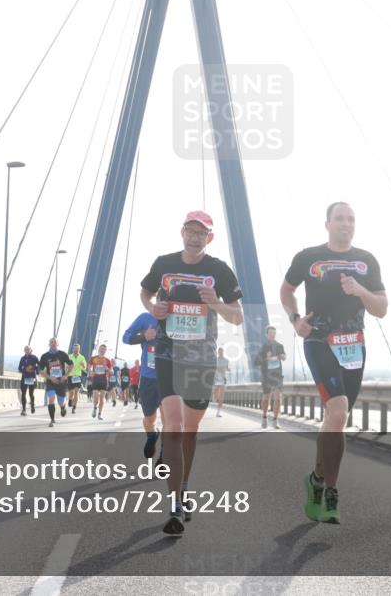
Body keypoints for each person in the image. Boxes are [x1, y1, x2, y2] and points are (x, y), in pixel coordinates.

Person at [281, 202, 387, 524]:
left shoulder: (367, 261)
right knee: (338, 410)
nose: (346, 224)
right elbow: (287, 291)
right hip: (319, 340)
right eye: (340, 219)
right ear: (327, 223)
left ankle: (315, 478)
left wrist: (360, 291)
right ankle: (331, 492)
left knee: (335, 419)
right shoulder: (308, 257)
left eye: (351, 219)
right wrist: (295, 319)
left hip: (354, 345)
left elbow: (381, 308)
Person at [141, 210, 243, 536]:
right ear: (181, 232)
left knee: (190, 430)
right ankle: (173, 505)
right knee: (173, 422)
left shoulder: (220, 271)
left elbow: (238, 317)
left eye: (202, 233)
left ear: (209, 238)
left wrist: (216, 304)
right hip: (169, 351)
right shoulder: (163, 264)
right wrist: (151, 308)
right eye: (191, 230)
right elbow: (146, 293)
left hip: (200, 357)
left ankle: (183, 486)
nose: (195, 236)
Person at [123, 313, 162, 461]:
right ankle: (152, 434)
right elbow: (125, 337)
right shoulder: (146, 318)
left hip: (170, 377)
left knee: (170, 420)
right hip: (148, 379)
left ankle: (164, 454)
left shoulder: (179, 317)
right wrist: (144, 336)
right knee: (149, 419)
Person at [255, 327, 287, 428]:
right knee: (266, 397)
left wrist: (283, 357)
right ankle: (264, 417)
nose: (272, 335)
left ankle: (275, 420)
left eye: (274, 333)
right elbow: (256, 362)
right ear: (266, 335)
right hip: (266, 376)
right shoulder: (263, 347)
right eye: (270, 333)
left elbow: (284, 356)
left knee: (278, 397)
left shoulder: (279, 346)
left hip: (277, 375)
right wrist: (266, 358)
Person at [38, 338, 72, 427]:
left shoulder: (63, 354)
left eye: (55, 342)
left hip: (61, 381)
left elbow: (71, 364)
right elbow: (40, 371)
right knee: (51, 398)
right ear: (49, 344)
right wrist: (50, 377)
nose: (53, 344)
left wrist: (66, 375)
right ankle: (52, 420)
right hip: (50, 381)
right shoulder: (44, 356)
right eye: (51, 342)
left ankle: (63, 407)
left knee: (61, 402)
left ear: (58, 344)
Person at [89, 344, 113, 420]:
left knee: (102, 398)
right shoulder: (93, 358)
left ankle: (100, 414)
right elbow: (89, 366)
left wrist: (107, 369)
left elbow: (111, 371)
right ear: (99, 349)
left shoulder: (107, 360)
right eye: (101, 349)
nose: (102, 350)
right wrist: (90, 372)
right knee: (96, 398)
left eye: (104, 349)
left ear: (105, 351)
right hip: (96, 379)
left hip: (104, 380)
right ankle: (95, 408)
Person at [18, 345, 39, 416]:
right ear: (24, 351)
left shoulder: (34, 357)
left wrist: (33, 368)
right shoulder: (22, 358)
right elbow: (19, 368)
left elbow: (39, 366)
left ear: (31, 350)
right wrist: (25, 369)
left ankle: (32, 405)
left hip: (32, 377)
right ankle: (24, 410)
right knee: (23, 394)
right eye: (25, 349)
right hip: (24, 378)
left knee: (31, 394)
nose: (27, 350)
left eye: (28, 349)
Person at [67, 343, 87, 413]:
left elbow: (85, 367)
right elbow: (65, 365)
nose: (76, 350)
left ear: (79, 349)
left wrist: (83, 365)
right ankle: (70, 399)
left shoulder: (82, 357)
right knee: (71, 392)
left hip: (78, 376)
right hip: (70, 376)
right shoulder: (69, 357)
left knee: (76, 392)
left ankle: (74, 407)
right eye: (75, 348)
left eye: (77, 349)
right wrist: (67, 366)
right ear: (73, 349)